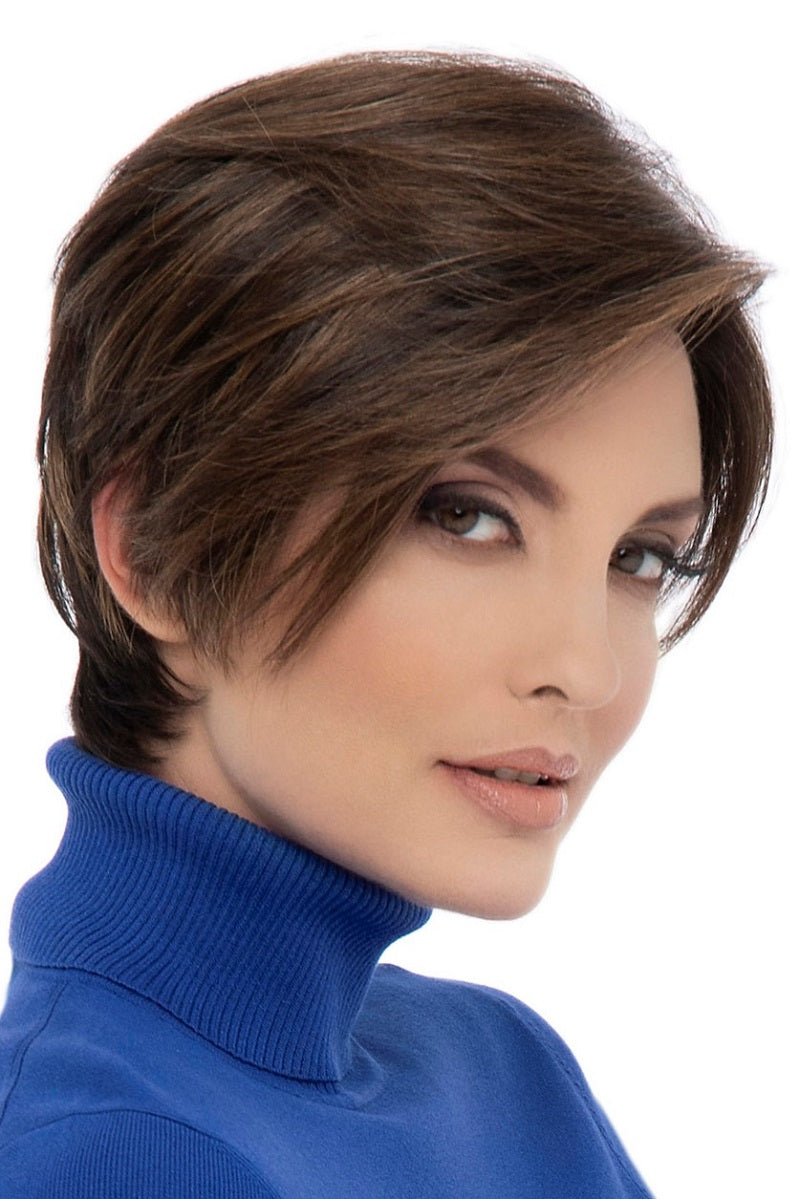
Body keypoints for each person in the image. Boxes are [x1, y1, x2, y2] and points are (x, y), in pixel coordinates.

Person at [0, 50, 771, 1197]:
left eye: (637, 556)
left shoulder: (506, 1070)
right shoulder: (116, 1155)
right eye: (465, 516)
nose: (585, 667)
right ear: (156, 547)